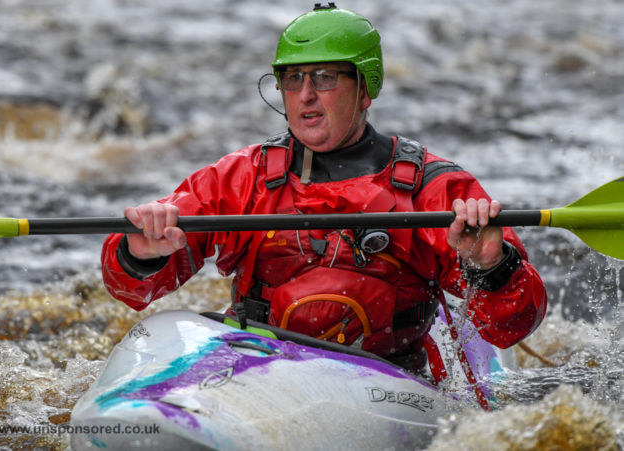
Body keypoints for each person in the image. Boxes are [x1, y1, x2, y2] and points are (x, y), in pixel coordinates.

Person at [101, 3, 547, 374]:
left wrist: (492, 265)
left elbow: (508, 327)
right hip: (259, 369)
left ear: (366, 87)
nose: (305, 95)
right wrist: (140, 253)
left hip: (386, 383)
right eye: (293, 79)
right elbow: (132, 290)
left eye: (325, 78)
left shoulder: (437, 188)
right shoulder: (242, 177)